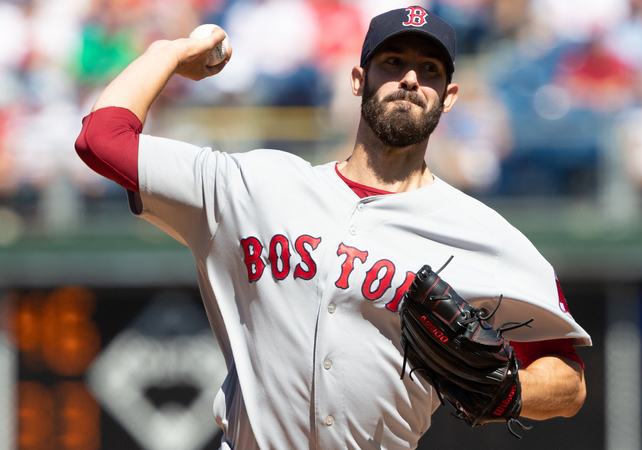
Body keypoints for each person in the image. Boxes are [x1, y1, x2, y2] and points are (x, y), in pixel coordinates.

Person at [75, 6, 591, 450]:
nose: (411, 79)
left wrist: (510, 391)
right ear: (357, 80)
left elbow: (568, 381)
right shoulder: (255, 186)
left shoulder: (484, 235)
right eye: (393, 63)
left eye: (428, 70)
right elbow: (101, 139)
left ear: (448, 96)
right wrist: (169, 52)